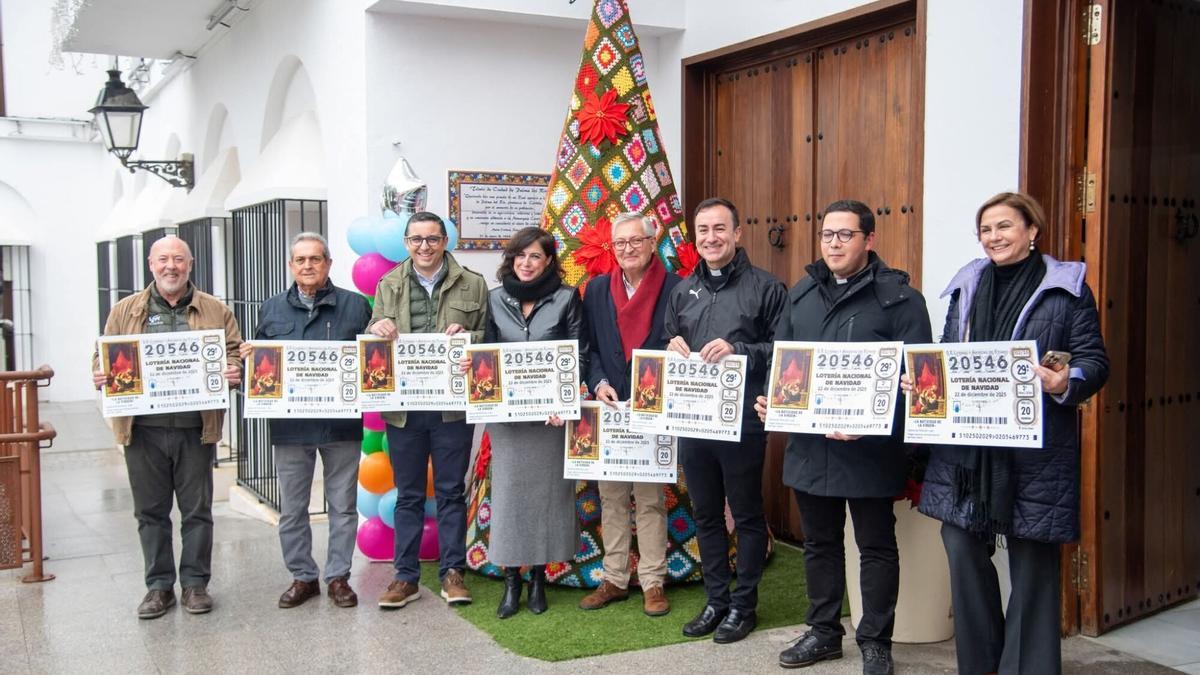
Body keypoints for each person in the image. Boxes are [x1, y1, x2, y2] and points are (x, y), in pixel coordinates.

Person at [908, 192, 1108, 674]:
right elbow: (948, 352)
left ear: (1032, 230)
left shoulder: (1067, 289)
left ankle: (1028, 666)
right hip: (966, 452)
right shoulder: (967, 285)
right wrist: (924, 379)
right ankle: (982, 664)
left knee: (1033, 563)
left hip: (1035, 453)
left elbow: (1094, 361)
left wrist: (1068, 381)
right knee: (960, 546)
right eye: (986, 229)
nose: (993, 237)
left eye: (1004, 227)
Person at [754, 200, 932, 674]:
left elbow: (921, 383)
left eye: (845, 235)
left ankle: (875, 641)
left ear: (868, 240)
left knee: (874, 545)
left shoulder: (900, 299)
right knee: (820, 543)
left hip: (870, 450)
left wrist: (875, 421)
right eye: (827, 234)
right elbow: (784, 362)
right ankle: (824, 633)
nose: (833, 243)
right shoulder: (802, 293)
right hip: (812, 449)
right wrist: (777, 400)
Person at [92, 236, 242, 619]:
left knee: (197, 511)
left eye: (178, 259)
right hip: (142, 429)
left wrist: (234, 369)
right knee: (150, 512)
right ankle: (158, 587)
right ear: (150, 264)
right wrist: (100, 371)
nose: (170, 266)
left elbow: (234, 350)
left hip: (196, 428)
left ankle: (194, 584)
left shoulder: (215, 310)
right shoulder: (125, 310)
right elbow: (103, 354)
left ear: (190, 264)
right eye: (163, 259)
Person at [666, 197, 787, 644]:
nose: (711, 238)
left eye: (720, 229)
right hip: (694, 421)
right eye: (703, 230)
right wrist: (671, 347)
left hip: (743, 423)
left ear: (737, 233)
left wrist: (741, 351)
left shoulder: (767, 288)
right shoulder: (682, 290)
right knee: (706, 514)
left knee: (748, 515)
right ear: (694, 238)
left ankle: (745, 604)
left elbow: (783, 351)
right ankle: (716, 600)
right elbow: (666, 342)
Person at [238, 232, 371, 609]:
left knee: (343, 506)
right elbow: (264, 368)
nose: (308, 266)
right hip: (291, 426)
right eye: (301, 260)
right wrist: (250, 358)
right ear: (291, 266)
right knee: (293, 506)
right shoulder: (272, 308)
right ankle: (302, 576)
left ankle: (338, 577)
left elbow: (371, 363)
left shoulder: (356, 306)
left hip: (341, 425)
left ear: (328, 264)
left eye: (316, 259)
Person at [369, 211, 489, 609]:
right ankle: (405, 577)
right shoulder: (388, 283)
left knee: (452, 491)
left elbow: (488, 338)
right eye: (417, 239)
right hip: (403, 410)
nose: (424, 246)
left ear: (444, 242)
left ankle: (453, 573)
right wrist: (377, 330)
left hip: (451, 408)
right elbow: (374, 332)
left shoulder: (472, 283)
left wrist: (469, 339)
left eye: (432, 239)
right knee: (409, 495)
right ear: (406, 243)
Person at [578, 212, 681, 617]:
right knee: (612, 498)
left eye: (635, 242)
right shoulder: (598, 289)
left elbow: (682, 343)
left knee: (651, 498)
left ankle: (653, 582)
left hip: (653, 407)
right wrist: (598, 381)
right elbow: (591, 348)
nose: (627, 250)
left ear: (652, 243)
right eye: (620, 243)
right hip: (611, 407)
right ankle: (615, 578)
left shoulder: (676, 287)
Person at [483, 226, 587, 619]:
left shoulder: (565, 298)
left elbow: (579, 351)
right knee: (510, 498)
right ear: (511, 259)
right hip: (507, 422)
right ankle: (512, 580)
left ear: (548, 262)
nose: (526, 264)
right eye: (520, 256)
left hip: (550, 420)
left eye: (535, 257)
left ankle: (539, 579)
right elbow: (486, 353)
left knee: (546, 498)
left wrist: (567, 398)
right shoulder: (494, 300)